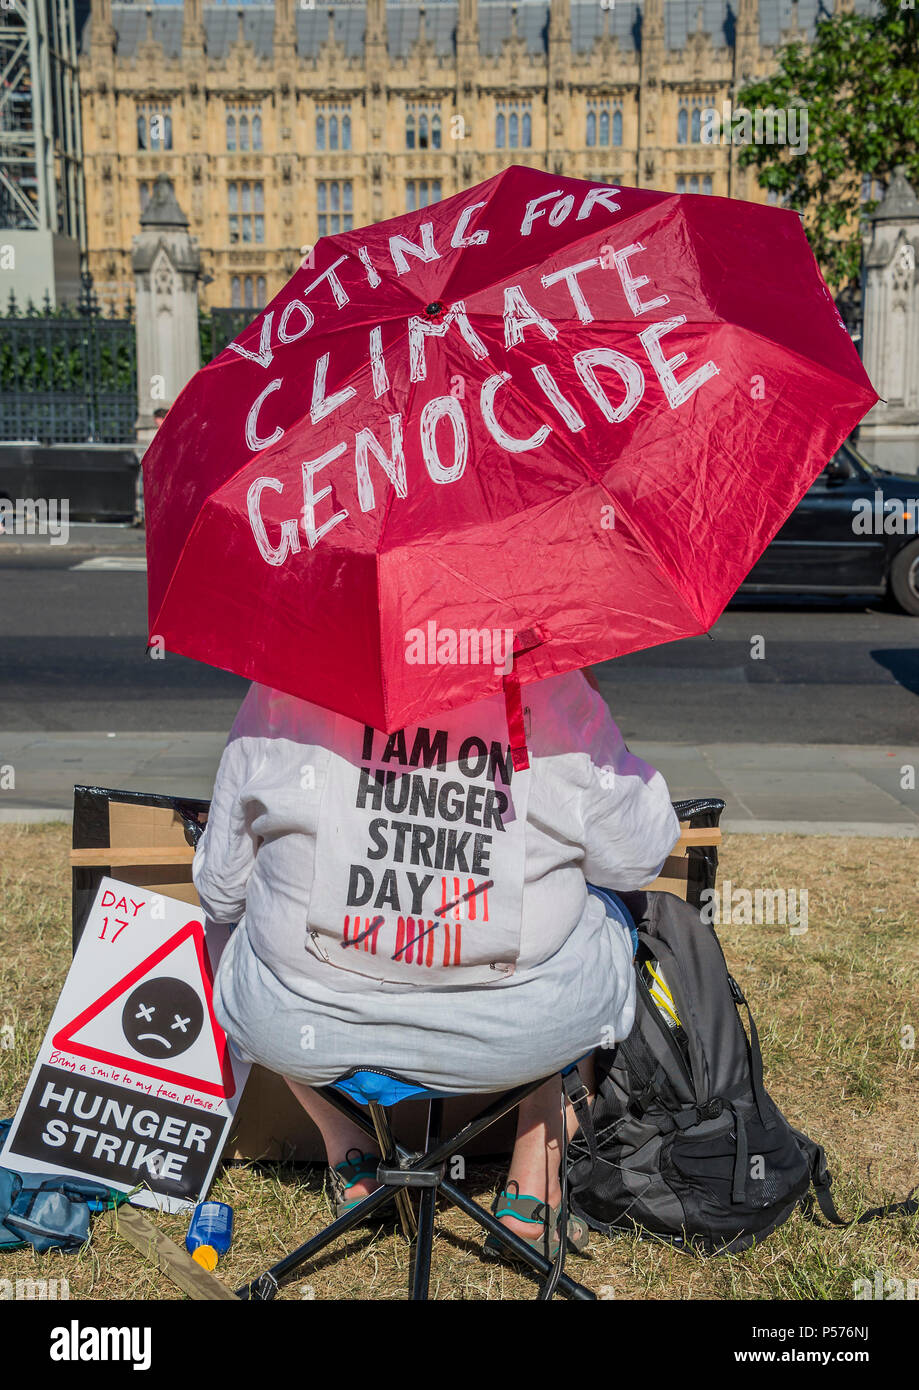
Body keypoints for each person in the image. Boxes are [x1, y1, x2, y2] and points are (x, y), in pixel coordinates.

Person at [194, 669, 680, 1259]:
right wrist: (587, 708)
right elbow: (641, 856)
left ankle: (351, 1151)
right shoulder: (550, 689)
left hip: (301, 1029)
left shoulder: (285, 685)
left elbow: (220, 890)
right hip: (520, 1033)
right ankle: (533, 1178)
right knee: (606, 909)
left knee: (246, 928)